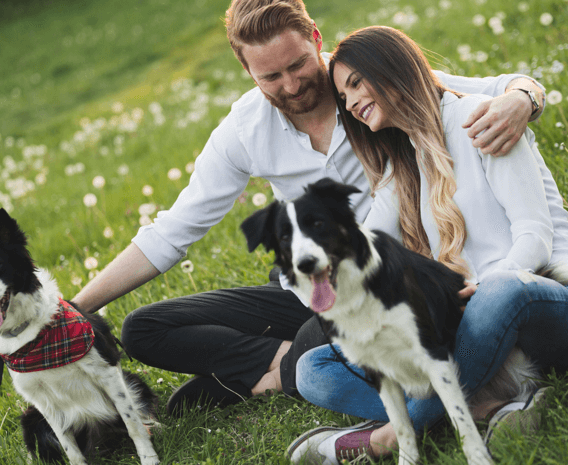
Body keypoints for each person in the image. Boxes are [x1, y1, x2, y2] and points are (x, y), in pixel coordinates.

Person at [71, 0, 550, 426]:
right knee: (144, 329)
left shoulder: (369, 89)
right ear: (247, 70)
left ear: (315, 37)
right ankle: (282, 367)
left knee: (333, 331)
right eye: (271, 77)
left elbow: (490, 90)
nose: (292, 84)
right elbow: (171, 232)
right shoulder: (246, 130)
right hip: (317, 283)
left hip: (390, 282)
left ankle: (272, 372)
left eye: (298, 64)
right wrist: (72, 309)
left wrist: (523, 99)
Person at [287, 25, 568, 464]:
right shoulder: (401, 165)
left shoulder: (480, 118)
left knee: (502, 290)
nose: (352, 102)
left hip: (538, 297)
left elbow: (535, 236)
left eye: (357, 83)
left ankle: (388, 436)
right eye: (344, 97)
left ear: (392, 67)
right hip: (473, 326)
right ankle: (494, 406)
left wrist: (480, 293)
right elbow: (364, 245)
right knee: (313, 368)